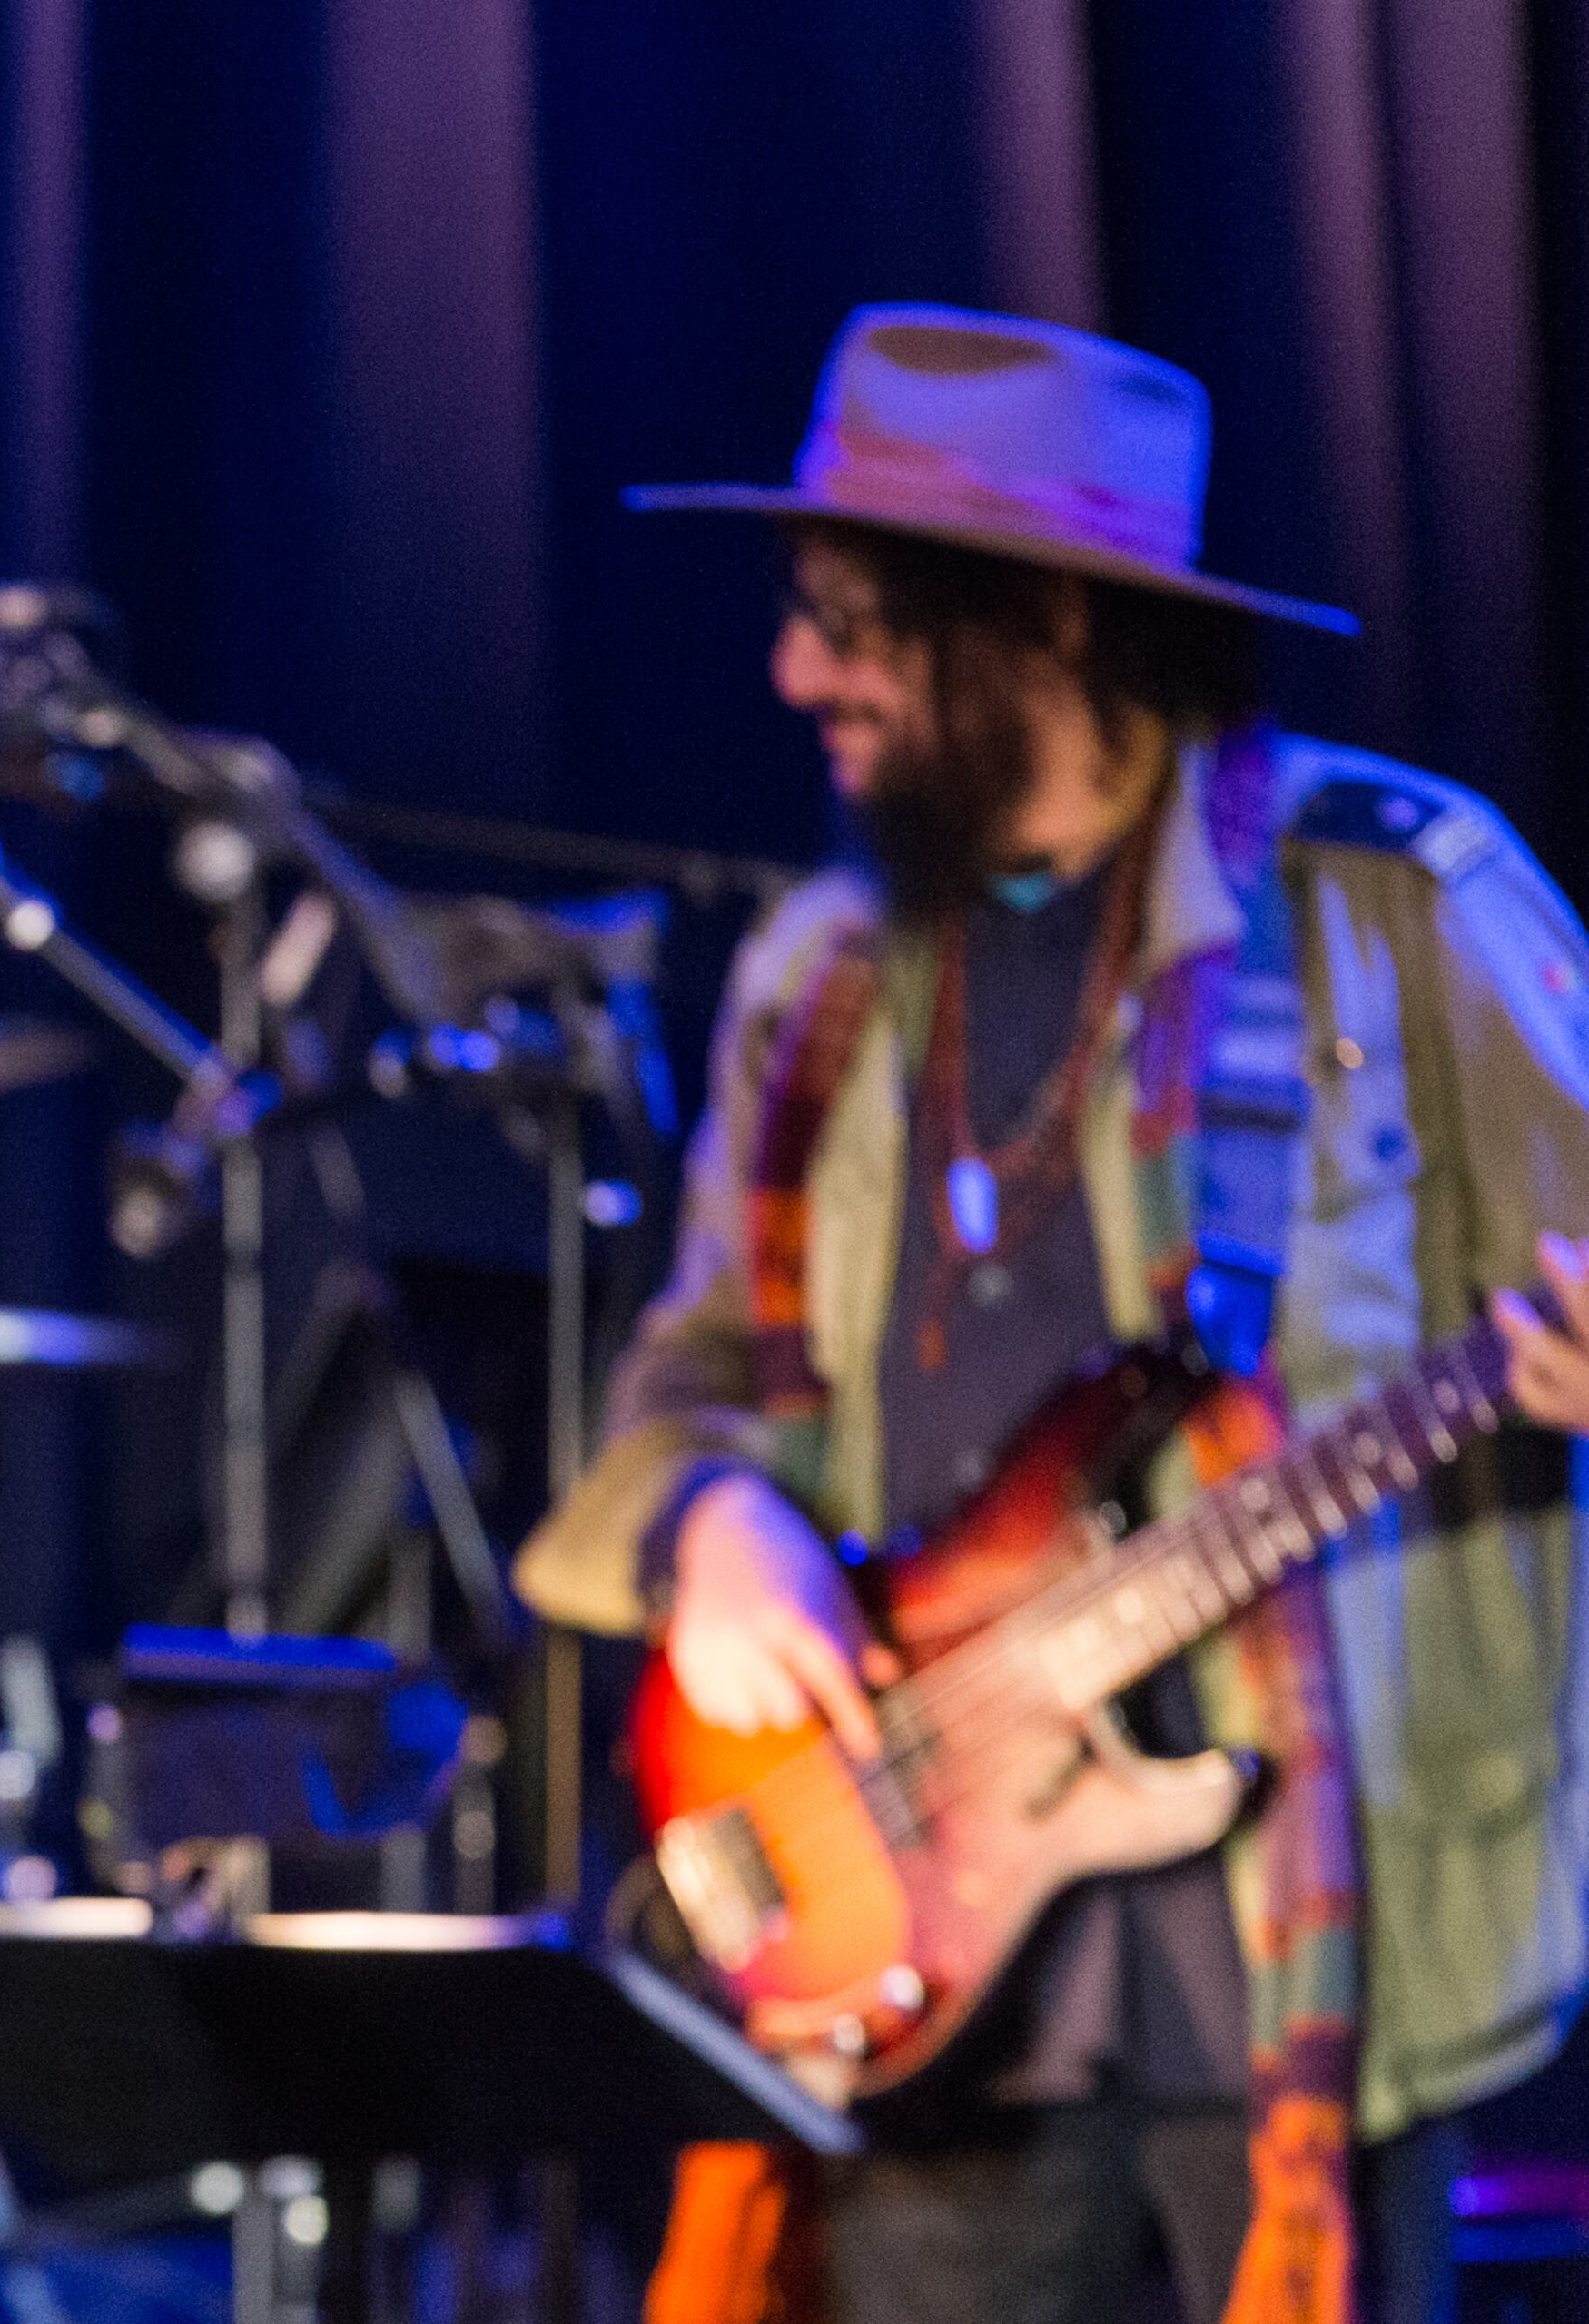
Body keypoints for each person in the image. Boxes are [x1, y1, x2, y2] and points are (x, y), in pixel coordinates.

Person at [517, 306, 1589, 2324]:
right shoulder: (823, 967)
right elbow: (690, 1370)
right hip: (926, 1960)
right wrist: (706, 1523)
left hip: (1320, 1973)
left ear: (1043, 630)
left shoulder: (1404, 899)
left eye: (850, 620)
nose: (793, 672)